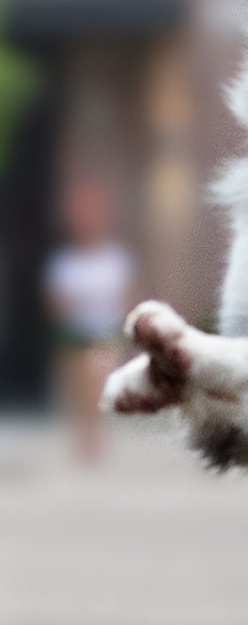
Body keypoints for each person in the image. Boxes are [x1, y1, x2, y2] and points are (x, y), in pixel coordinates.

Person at [44, 177, 135, 464]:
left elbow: (125, 298)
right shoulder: (65, 262)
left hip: (103, 332)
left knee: (97, 382)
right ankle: (84, 435)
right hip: (74, 334)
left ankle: (95, 435)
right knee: (78, 389)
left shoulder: (115, 259)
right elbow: (56, 301)